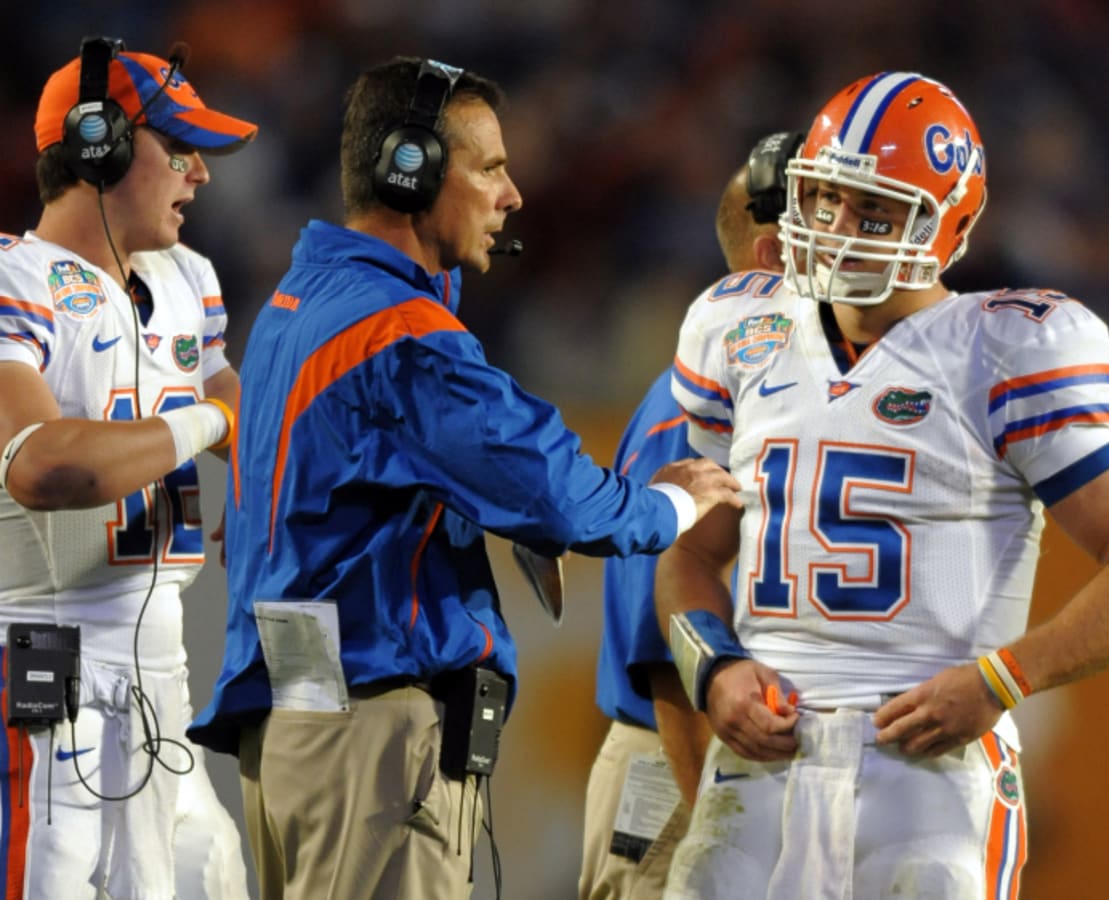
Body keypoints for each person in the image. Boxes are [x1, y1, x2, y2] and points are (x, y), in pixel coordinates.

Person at [184, 55, 741, 900]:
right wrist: (672, 502)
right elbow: (555, 489)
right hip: (370, 742)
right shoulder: (396, 332)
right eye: (489, 167)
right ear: (412, 171)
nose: (511, 194)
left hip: (300, 723)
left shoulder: (302, 298)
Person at [658, 71, 1109, 898]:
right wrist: (715, 668)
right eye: (830, 200)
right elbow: (691, 556)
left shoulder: (1002, 349)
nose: (842, 231)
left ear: (953, 225)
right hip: (760, 763)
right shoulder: (741, 329)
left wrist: (1000, 681)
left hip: (929, 771)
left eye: (878, 213)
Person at [0, 37, 256, 899]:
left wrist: (257, 478)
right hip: (44, 661)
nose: (200, 173)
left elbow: (243, 417)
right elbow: (45, 466)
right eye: (179, 148)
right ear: (98, 144)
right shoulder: (14, 282)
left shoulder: (187, 278)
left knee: (206, 874)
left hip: (162, 669)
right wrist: (206, 420)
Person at [579, 130, 801, 900]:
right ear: (774, 252)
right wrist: (722, 824)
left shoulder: (778, 381)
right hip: (677, 760)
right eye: (827, 224)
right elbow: (664, 639)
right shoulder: (707, 389)